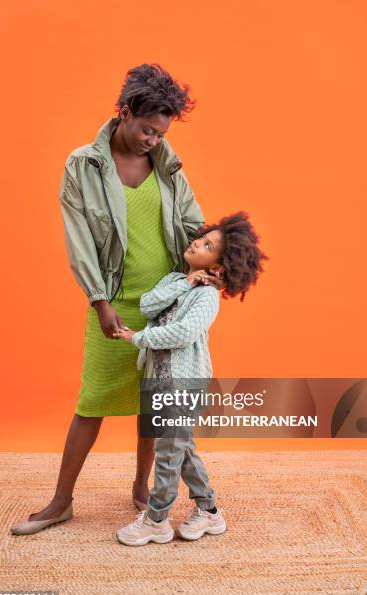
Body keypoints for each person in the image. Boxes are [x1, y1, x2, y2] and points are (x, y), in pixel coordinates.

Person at [10, 63, 224, 536]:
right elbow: (79, 239)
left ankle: (141, 490)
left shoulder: (167, 165)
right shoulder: (82, 165)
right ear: (125, 112)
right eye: (147, 129)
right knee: (92, 401)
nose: (153, 139)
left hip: (165, 300)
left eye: (160, 132)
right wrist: (98, 299)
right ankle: (61, 501)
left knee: (154, 401)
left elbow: (192, 223)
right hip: (112, 301)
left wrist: (210, 268)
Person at [114, 211, 268, 545]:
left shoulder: (208, 297)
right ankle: (209, 512)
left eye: (208, 245)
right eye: (202, 237)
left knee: (169, 453)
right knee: (181, 451)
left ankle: (157, 519)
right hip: (159, 382)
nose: (198, 242)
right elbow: (146, 305)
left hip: (186, 384)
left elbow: (183, 333)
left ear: (217, 267)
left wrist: (137, 339)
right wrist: (185, 282)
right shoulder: (175, 281)